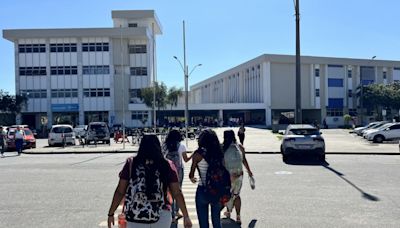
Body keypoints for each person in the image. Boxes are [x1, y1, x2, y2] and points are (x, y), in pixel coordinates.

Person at [107, 134, 192, 228]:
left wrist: (111, 213)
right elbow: (177, 192)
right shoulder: (166, 164)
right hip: (162, 215)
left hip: (135, 215)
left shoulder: (131, 163)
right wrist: (186, 216)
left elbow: (120, 191)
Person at [189, 129, 225, 228]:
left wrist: (193, 178)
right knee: (217, 222)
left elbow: (191, 175)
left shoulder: (197, 154)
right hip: (216, 190)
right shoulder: (219, 153)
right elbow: (224, 170)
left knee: (203, 224)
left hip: (202, 189)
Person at [222, 130, 253, 225]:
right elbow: (244, 160)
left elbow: (221, 163)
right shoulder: (240, 147)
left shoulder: (222, 147)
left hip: (227, 176)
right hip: (239, 175)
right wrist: (249, 171)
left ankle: (228, 211)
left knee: (227, 194)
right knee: (236, 195)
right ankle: (238, 216)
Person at [162, 129, 191, 222]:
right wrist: (192, 155)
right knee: (178, 191)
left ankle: (171, 214)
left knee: (168, 192)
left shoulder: (164, 146)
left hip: (166, 170)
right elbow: (186, 159)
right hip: (178, 171)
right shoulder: (181, 146)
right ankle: (177, 211)